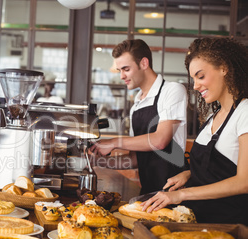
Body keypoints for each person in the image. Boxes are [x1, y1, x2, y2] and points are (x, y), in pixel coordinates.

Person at [141, 37, 248, 225]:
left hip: (230, 227)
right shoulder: (212, 117)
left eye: (200, 76)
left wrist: (182, 194)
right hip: (199, 221)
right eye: (193, 79)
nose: (196, 86)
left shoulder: (244, 112)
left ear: (224, 68)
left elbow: (243, 182)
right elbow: (219, 167)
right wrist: (190, 174)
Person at [89, 39, 188, 195]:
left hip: (174, 192)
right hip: (148, 192)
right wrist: (99, 161)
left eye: (126, 69)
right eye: (119, 70)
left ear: (143, 63)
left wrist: (114, 142)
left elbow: (160, 140)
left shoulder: (172, 90)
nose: (121, 76)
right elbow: (135, 160)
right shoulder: (136, 105)